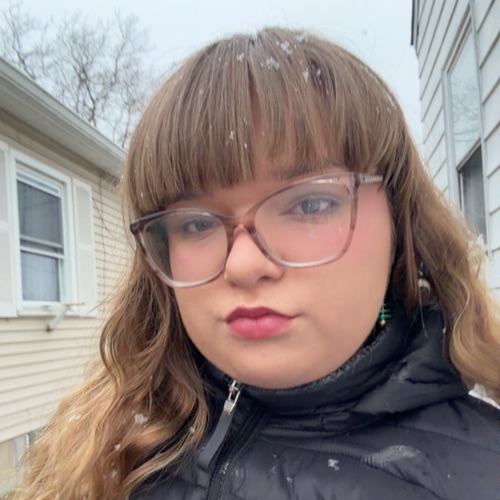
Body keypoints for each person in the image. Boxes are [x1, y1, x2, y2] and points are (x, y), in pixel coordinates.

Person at [16, 27, 499, 500]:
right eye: (195, 223)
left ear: (400, 221)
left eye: (309, 204)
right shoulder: (109, 450)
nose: (243, 265)